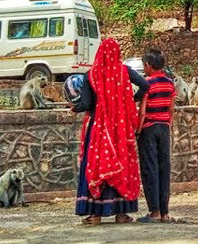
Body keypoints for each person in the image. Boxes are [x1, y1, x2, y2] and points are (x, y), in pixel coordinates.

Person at [74, 39, 149, 226]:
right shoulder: (124, 72)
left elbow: (86, 104)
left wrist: (73, 108)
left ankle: (95, 215)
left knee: (96, 165)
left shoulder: (91, 75)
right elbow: (145, 86)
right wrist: (128, 100)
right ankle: (121, 214)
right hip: (121, 130)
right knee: (122, 165)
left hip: (99, 129)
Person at [136, 48, 175, 223]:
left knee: (149, 168)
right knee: (164, 167)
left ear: (148, 65)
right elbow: (171, 108)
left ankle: (154, 212)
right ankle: (165, 212)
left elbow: (142, 111)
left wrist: (138, 129)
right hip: (164, 127)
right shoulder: (170, 83)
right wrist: (168, 123)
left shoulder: (147, 84)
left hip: (149, 127)